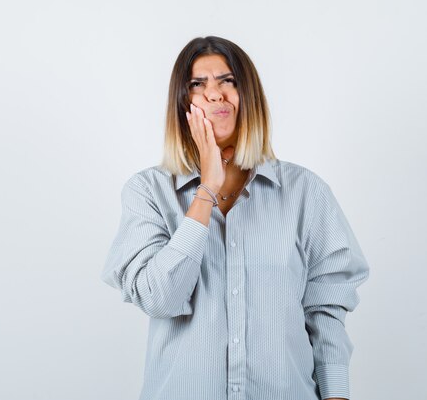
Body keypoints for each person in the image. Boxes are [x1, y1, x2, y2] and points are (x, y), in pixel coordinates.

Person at [100, 36, 369, 400]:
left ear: (248, 96)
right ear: (183, 103)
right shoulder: (147, 192)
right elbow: (160, 299)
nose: (216, 94)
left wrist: (336, 394)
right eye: (198, 84)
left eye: (228, 81)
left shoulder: (305, 193)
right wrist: (205, 192)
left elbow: (325, 310)